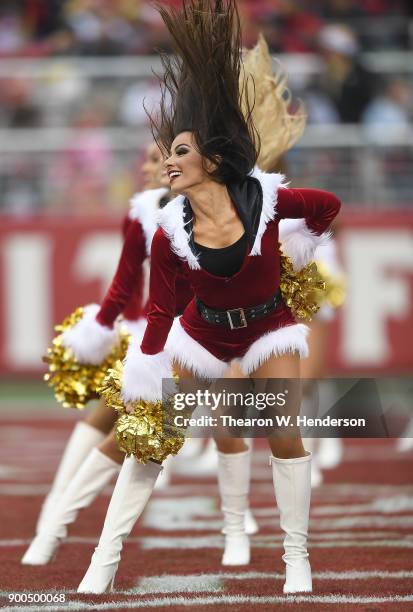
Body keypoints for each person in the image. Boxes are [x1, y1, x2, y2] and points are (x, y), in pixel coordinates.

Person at [76, 0, 340, 595]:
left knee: (284, 433)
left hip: (268, 326)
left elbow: (326, 206)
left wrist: (301, 248)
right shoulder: (170, 229)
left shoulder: (267, 200)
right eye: (166, 153)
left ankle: (295, 558)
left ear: (213, 162)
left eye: (179, 153)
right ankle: (103, 560)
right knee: (151, 438)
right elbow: (163, 310)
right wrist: (146, 371)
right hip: (201, 335)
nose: (166, 163)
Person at [20, 142, 191, 564]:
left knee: (185, 433)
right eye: (151, 160)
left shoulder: (226, 208)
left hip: (211, 337)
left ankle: (241, 527)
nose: (152, 168)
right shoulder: (144, 213)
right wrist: (103, 334)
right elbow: (125, 284)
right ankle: (55, 524)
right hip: (164, 337)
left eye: (162, 158)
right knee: (131, 428)